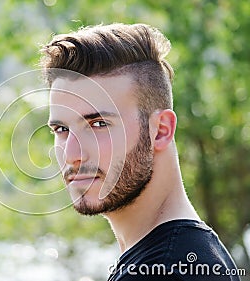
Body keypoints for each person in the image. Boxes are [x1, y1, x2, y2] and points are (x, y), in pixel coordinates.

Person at [40, 23, 241, 280]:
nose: (71, 154)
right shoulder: (186, 258)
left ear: (160, 130)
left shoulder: (168, 270)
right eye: (61, 129)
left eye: (99, 124)